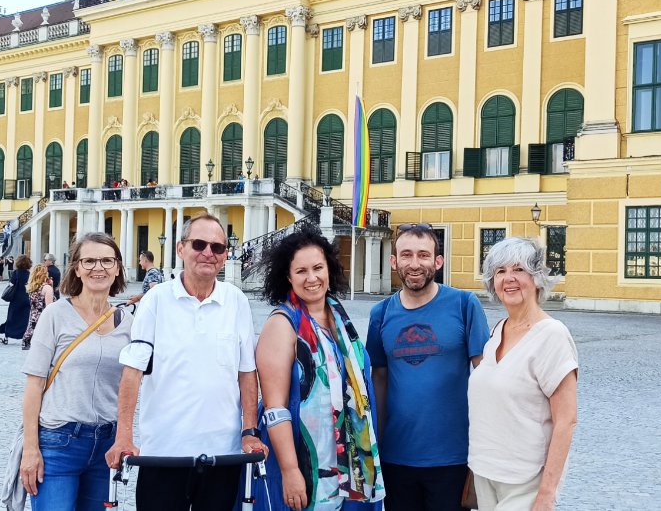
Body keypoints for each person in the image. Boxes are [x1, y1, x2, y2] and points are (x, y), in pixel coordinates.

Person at [107, 214, 266, 511]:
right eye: (199, 244)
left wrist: (249, 431)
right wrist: (124, 435)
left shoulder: (236, 301)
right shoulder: (156, 300)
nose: (209, 253)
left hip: (223, 453)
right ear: (181, 249)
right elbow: (133, 372)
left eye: (218, 247)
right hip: (164, 453)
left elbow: (246, 373)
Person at [254, 225, 385, 511]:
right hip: (305, 462)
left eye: (318, 267)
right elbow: (275, 409)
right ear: (288, 276)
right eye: (301, 271)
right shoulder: (282, 325)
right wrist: (290, 471)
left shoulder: (339, 317)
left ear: (329, 269)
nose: (312, 278)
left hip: (351, 467)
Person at [365, 224, 489, 511]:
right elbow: (378, 382)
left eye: (423, 255)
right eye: (406, 255)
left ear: (438, 261)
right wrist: (376, 447)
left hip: (453, 457)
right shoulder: (380, 314)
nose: (415, 263)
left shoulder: (464, 304)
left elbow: (485, 377)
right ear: (394, 261)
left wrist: (485, 446)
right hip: (396, 457)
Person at [19, 232, 133, 510]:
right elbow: (34, 385)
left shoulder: (128, 322)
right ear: (78, 268)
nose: (99, 268)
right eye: (90, 261)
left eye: (107, 260)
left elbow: (131, 384)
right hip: (59, 440)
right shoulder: (56, 315)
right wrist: (31, 449)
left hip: (107, 443)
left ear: (117, 267)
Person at [469, 238, 578, 511]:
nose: (509, 279)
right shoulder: (497, 331)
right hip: (485, 473)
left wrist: (547, 494)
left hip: (525, 480)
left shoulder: (552, 335)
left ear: (537, 278)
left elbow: (566, 421)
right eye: (500, 271)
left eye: (519, 270)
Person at [22, 264, 56, 351]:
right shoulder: (46, 288)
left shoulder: (32, 287)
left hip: (33, 317)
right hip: (43, 317)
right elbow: (49, 307)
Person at [0, 255, 33, 345]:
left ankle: (7, 337)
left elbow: (11, 284)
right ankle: (24, 337)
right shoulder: (29, 274)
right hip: (26, 299)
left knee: (11, 318)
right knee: (25, 319)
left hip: (16, 299)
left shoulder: (16, 273)